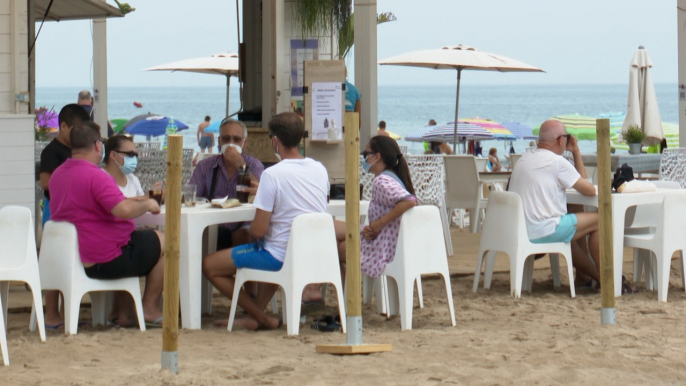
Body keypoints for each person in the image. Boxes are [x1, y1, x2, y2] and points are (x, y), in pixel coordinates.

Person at [202, 112, 329, 330]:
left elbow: (259, 231)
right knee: (271, 245)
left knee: (210, 265)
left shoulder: (273, 175)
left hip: (279, 256)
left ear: (274, 140)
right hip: (310, 253)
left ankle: (260, 317)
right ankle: (257, 314)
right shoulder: (319, 169)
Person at [49, 121, 166, 327]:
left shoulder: (58, 174)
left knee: (139, 240)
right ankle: (148, 308)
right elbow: (123, 210)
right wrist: (149, 202)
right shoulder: (95, 175)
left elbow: (110, 204)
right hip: (103, 259)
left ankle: (122, 312)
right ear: (97, 145)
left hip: (73, 256)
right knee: (165, 242)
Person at [508, 120, 635, 294]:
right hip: (543, 230)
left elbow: (580, 184)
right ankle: (607, 279)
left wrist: (574, 151)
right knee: (601, 220)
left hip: (521, 230)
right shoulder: (556, 162)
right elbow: (588, 189)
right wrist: (576, 151)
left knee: (575, 212)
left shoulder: (525, 158)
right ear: (561, 140)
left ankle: (585, 277)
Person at [38, 103, 90, 329]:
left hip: (75, 212)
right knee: (53, 259)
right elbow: (46, 182)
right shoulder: (52, 151)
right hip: (54, 210)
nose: (80, 135)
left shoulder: (79, 151)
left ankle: (68, 310)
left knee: (69, 260)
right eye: (76, 130)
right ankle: (51, 312)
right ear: (63, 126)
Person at [190, 118, 264, 250]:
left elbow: (258, 191)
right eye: (226, 139)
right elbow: (193, 197)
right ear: (219, 141)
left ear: (244, 143)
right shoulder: (204, 166)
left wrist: (241, 165)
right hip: (213, 226)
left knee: (244, 234)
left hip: (243, 226)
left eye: (236, 139)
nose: (231, 144)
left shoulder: (254, 165)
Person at [351, 136, 417, 278]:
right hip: (389, 243)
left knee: (339, 245)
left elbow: (409, 200)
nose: (364, 159)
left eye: (365, 154)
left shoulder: (382, 181)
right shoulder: (393, 177)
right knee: (343, 234)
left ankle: (345, 296)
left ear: (377, 156)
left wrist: (379, 224)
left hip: (383, 248)